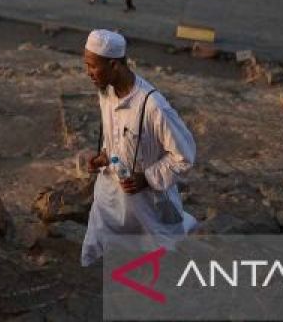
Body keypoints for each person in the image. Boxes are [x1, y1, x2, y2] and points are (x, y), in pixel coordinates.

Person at [80, 30, 197, 266]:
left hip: (146, 206)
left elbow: (184, 157)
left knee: (159, 261)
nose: (88, 73)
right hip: (110, 199)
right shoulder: (106, 93)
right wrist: (104, 157)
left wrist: (147, 178)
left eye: (93, 66)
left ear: (113, 64)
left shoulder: (153, 106)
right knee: (98, 252)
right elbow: (118, 140)